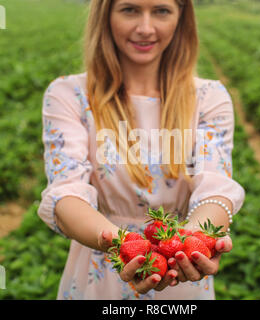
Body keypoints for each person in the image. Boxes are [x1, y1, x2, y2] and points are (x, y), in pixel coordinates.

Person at [37, 0, 245, 300]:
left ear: (180, 18)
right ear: (106, 15)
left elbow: (216, 186)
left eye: (161, 10)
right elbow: (66, 192)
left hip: (178, 272)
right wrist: (122, 244)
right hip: (102, 266)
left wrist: (195, 239)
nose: (145, 28)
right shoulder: (69, 95)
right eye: (130, 9)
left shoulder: (209, 98)